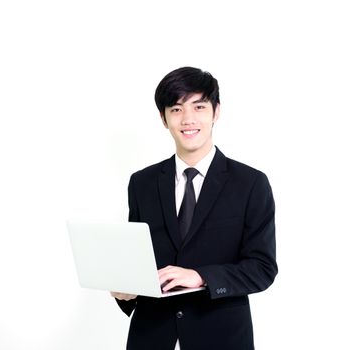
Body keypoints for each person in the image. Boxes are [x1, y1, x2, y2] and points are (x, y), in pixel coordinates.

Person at [111, 66, 277, 350]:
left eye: (199, 107)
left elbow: (262, 268)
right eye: (176, 109)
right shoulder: (142, 183)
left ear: (216, 112)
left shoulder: (250, 183)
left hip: (220, 337)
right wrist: (126, 290)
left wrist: (201, 277)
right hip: (151, 337)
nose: (188, 119)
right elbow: (138, 260)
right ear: (163, 119)